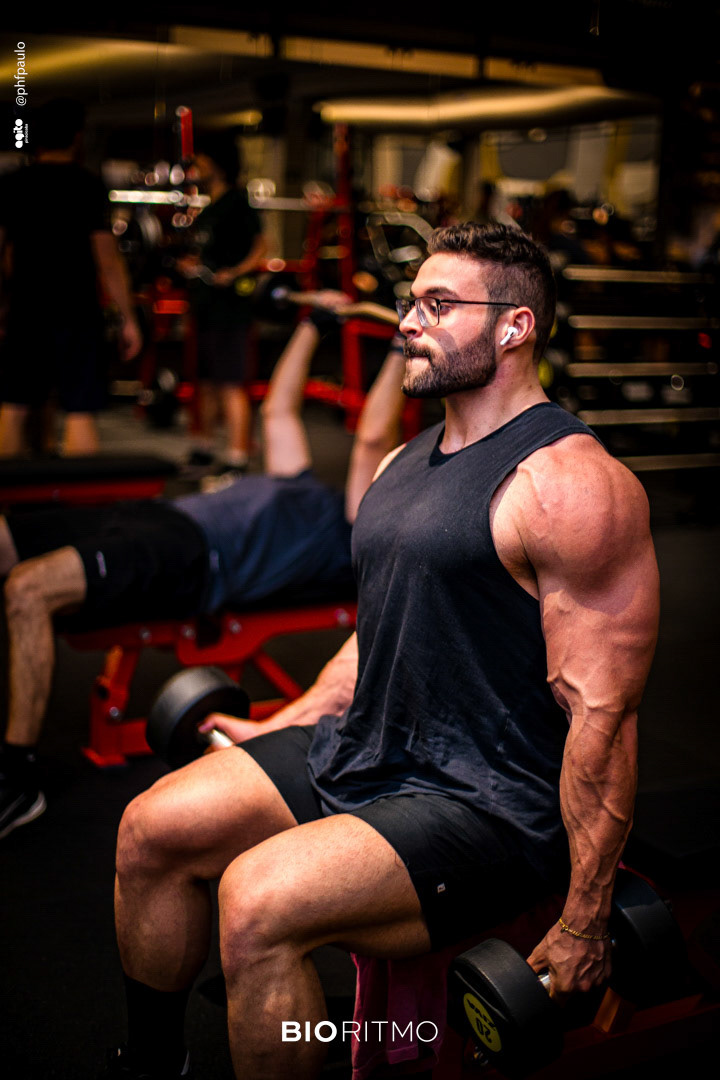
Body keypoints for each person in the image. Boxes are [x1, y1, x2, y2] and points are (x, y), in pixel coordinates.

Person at [104, 223, 659, 1080]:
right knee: (152, 829)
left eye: (438, 305)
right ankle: (152, 1064)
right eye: (411, 302)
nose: (408, 321)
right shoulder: (406, 459)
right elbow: (382, 631)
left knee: (256, 901)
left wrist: (585, 916)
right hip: (370, 751)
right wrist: (281, 723)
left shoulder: (570, 485)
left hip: (488, 803)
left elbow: (604, 715)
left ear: (515, 326)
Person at [0, 305, 407, 839]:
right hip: (160, 516)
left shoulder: (355, 529)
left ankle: (17, 778)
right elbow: (277, 410)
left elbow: (372, 437)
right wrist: (314, 323)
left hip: (190, 554)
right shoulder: (301, 482)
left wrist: (404, 344)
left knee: (28, 587)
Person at [0, 98, 142, 456]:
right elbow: (107, 260)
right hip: (76, 311)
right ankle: (79, 494)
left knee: (14, 406)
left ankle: (8, 491)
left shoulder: (14, 184)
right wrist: (127, 317)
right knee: (80, 410)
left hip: (26, 309)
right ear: (77, 137)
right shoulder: (87, 185)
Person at [176, 134, 267, 480]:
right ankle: (204, 449)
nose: (196, 166)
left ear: (217, 163)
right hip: (205, 307)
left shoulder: (237, 203)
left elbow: (262, 246)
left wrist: (235, 273)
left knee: (230, 382)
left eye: (201, 160)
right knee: (206, 382)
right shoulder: (210, 207)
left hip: (230, 310)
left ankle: (237, 457)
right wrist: (193, 265)